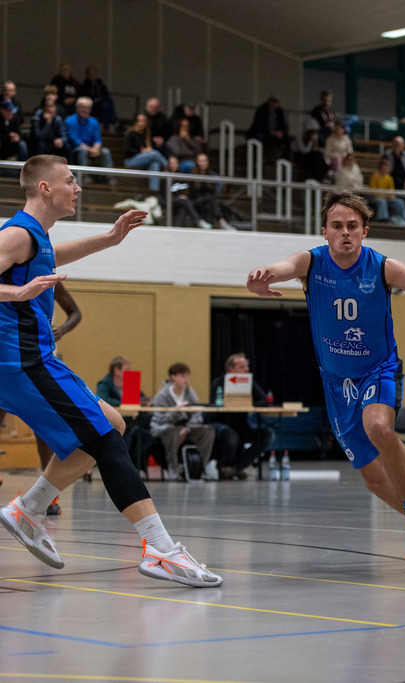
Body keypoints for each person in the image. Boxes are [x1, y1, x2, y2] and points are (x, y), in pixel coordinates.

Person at [0, 155, 221, 586]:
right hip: (20, 361)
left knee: (112, 424)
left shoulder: (36, 237)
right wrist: (17, 291)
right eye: (70, 180)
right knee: (103, 434)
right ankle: (159, 548)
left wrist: (109, 238)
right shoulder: (16, 234)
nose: (78, 187)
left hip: (33, 358)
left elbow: (55, 253)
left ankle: (29, 508)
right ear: (45, 188)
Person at [246, 190, 405, 562]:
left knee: (379, 427)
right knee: (373, 479)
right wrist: (262, 278)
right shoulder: (312, 263)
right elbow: (283, 266)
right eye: (337, 226)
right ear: (325, 231)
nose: (345, 233)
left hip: (378, 369)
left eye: (352, 226)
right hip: (336, 383)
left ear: (364, 231)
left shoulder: (383, 266)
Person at [0, 281, 80, 515]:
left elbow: (76, 313)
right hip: (9, 353)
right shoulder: (10, 276)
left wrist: (62, 329)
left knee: (43, 428)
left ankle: (49, 494)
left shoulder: (49, 279)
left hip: (40, 357)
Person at [208, 352, 275, 479]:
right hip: (220, 423)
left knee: (268, 434)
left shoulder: (248, 382)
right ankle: (227, 466)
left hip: (241, 425)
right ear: (231, 369)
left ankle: (235, 467)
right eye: (242, 367)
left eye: (247, 366)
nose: (246, 370)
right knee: (230, 433)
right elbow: (214, 405)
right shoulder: (219, 382)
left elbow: (263, 400)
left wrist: (248, 404)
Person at [149, 362, 217, 481]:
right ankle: (173, 470)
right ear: (173, 377)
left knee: (208, 431)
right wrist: (176, 411)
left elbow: (196, 415)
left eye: (187, 376)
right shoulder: (162, 395)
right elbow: (158, 419)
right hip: (166, 428)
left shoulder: (190, 392)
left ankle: (199, 468)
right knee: (173, 432)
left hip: (185, 427)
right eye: (182, 376)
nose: (186, 379)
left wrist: (187, 429)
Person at [63, 97, 115, 182]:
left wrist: (95, 148)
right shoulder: (70, 121)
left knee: (106, 151)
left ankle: (109, 177)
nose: (85, 110)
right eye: (83, 107)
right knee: (82, 150)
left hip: (91, 148)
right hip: (75, 149)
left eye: (88, 108)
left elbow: (97, 139)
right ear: (77, 108)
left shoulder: (94, 122)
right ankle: (84, 176)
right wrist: (90, 149)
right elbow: (75, 141)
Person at [189, 153, 238, 230]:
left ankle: (217, 223)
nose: (203, 163)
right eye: (201, 161)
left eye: (205, 161)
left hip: (208, 201)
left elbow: (214, 190)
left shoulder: (211, 175)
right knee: (211, 200)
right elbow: (193, 193)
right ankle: (222, 222)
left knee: (214, 203)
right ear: (197, 162)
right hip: (196, 200)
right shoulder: (192, 175)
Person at [124, 113, 169, 192]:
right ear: (136, 122)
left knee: (155, 164)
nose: (141, 123)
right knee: (154, 153)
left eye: (143, 121)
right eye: (139, 121)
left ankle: (154, 192)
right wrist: (142, 151)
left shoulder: (147, 135)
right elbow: (127, 150)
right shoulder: (131, 134)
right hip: (131, 160)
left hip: (144, 161)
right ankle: (168, 167)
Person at [368, 156, 405, 226]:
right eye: (384, 166)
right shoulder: (375, 176)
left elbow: (391, 191)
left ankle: (402, 218)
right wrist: (385, 196)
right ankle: (383, 219)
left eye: (387, 167)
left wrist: (391, 196)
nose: (386, 169)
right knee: (382, 201)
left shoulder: (389, 178)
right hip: (376, 198)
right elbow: (373, 191)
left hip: (386, 198)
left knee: (399, 202)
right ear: (380, 167)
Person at [29, 92, 69, 160]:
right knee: (41, 145)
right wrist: (48, 123)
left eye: (53, 113)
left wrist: (61, 140)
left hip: (52, 144)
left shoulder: (57, 119)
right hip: (38, 144)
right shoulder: (36, 119)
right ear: (44, 111)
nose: (51, 115)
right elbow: (39, 137)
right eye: (49, 113)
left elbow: (64, 135)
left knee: (66, 148)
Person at [77, 65, 118, 130]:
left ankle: (107, 127)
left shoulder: (101, 85)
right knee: (106, 105)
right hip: (90, 105)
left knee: (108, 103)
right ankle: (115, 123)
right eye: (90, 74)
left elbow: (106, 95)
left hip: (101, 105)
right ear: (87, 75)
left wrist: (100, 99)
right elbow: (83, 97)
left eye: (94, 73)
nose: (92, 75)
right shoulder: (83, 86)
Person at [0, 100, 28, 164]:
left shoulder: (15, 119)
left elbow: (18, 132)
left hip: (13, 142)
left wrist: (17, 137)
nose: (11, 113)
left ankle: (23, 166)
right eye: (8, 111)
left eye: (12, 111)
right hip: (3, 141)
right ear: (2, 111)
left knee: (22, 144)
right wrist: (8, 137)